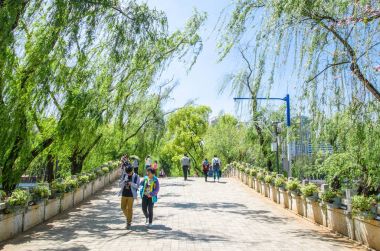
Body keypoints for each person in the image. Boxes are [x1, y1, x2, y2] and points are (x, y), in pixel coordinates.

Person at [119, 165, 140, 229]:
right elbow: (119, 184)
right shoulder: (124, 175)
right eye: (127, 173)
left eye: (129, 173)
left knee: (129, 209)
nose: (128, 174)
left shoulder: (136, 176)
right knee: (122, 207)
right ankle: (129, 218)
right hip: (124, 194)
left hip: (131, 195)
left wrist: (131, 183)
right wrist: (124, 181)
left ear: (132, 170)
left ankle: (128, 222)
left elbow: (137, 186)